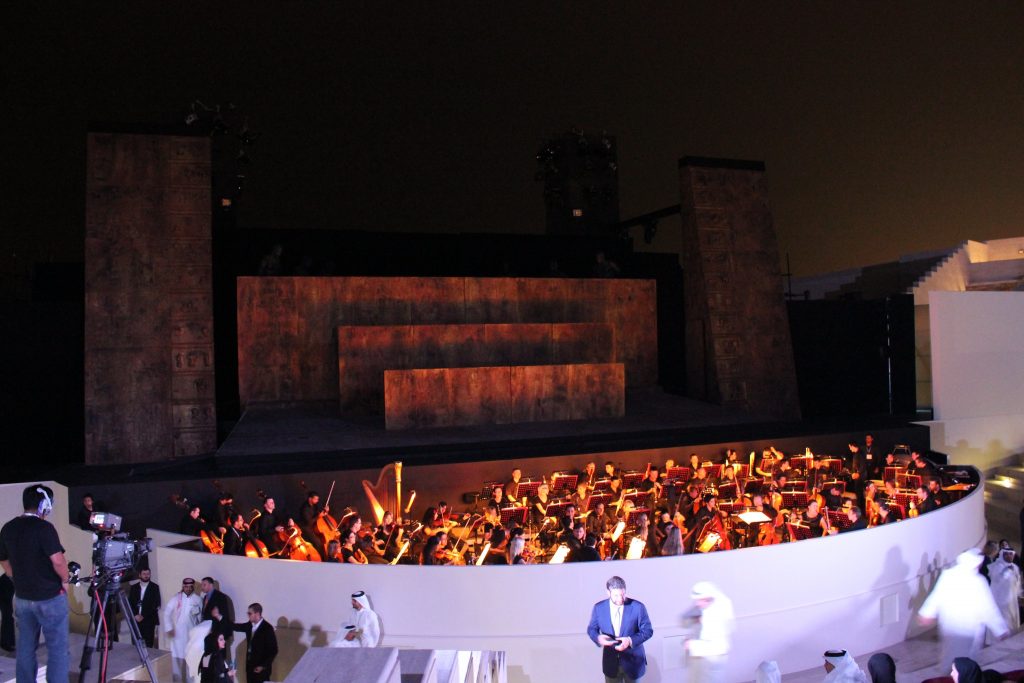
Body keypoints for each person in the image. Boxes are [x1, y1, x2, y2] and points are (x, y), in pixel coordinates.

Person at [0, 484, 70, 683]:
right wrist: (65, 579)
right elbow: (57, 560)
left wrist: (16, 578)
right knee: (57, 650)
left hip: (22, 598)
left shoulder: (8, 527)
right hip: (50, 598)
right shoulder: (44, 528)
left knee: (25, 649)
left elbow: (3, 559)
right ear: (44, 505)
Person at [918, 548, 1009, 669]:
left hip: (949, 628)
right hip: (969, 632)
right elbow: (988, 609)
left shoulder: (948, 575)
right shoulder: (978, 582)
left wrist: (926, 613)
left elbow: (936, 597)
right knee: (967, 664)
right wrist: (1000, 629)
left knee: (949, 659)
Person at [586, 575, 653, 682]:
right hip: (611, 664)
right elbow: (591, 629)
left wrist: (630, 641)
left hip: (633, 664)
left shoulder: (638, 607)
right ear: (608, 592)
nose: (620, 599)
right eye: (616, 595)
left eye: (623, 594)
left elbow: (648, 631)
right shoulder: (599, 608)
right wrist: (598, 638)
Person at [684, 581, 734, 683]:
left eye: (700, 601)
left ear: (708, 598)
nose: (697, 604)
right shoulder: (706, 606)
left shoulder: (719, 614)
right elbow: (685, 620)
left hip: (711, 662)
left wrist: (691, 645)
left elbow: (719, 647)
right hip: (700, 659)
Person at [163, 577, 203, 682]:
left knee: (191, 663)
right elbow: (167, 613)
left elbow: (201, 619)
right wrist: (169, 628)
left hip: (191, 636)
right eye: (186, 587)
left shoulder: (198, 600)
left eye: (190, 587)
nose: (188, 589)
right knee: (176, 663)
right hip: (177, 637)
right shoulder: (176, 598)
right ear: (183, 586)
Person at [231, 603, 278, 683]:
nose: (248, 615)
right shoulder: (250, 625)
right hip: (250, 667)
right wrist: (220, 617)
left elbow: (273, 650)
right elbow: (236, 626)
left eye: (250, 613)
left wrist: (263, 666)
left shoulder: (267, 628)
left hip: (261, 670)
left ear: (257, 614)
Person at [988, 545, 1022, 631]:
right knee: (1003, 622)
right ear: (1002, 555)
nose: (1009, 556)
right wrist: (1006, 570)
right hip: (1000, 600)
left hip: (1012, 600)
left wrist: (1019, 594)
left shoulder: (1015, 567)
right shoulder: (997, 566)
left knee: (1012, 622)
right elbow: (997, 580)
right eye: (1006, 554)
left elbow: (1017, 583)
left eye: (1011, 554)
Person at [128, 567, 161, 648]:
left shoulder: (155, 587)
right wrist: (135, 614)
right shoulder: (134, 587)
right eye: (144, 574)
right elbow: (130, 603)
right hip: (136, 619)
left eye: (148, 574)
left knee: (148, 643)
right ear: (140, 575)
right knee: (136, 642)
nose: (146, 576)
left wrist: (143, 616)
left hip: (148, 619)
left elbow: (156, 604)